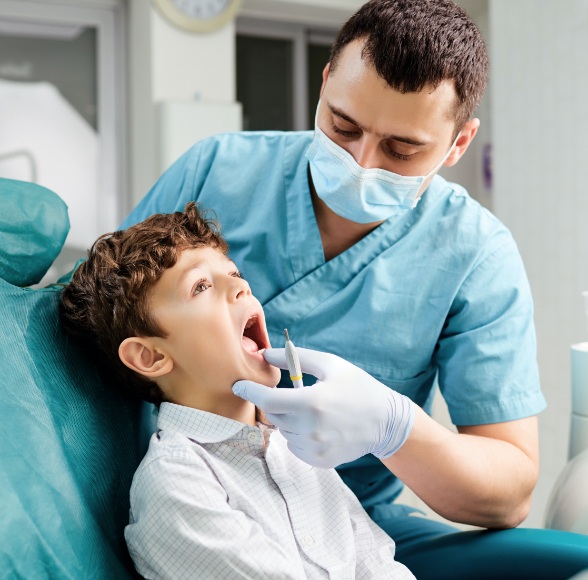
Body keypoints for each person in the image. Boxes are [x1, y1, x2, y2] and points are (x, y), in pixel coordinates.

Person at [120, 1, 588, 577]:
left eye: (402, 149)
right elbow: (105, 305)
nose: (359, 161)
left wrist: (393, 428)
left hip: (352, 514)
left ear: (458, 144)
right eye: (343, 125)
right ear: (324, 84)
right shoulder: (218, 170)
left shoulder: (475, 252)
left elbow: (508, 492)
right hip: (223, 489)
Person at [60, 202, 415, 579]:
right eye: (201, 286)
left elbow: (378, 563)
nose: (241, 286)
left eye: (234, 273)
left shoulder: (296, 448)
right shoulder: (178, 483)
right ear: (149, 356)